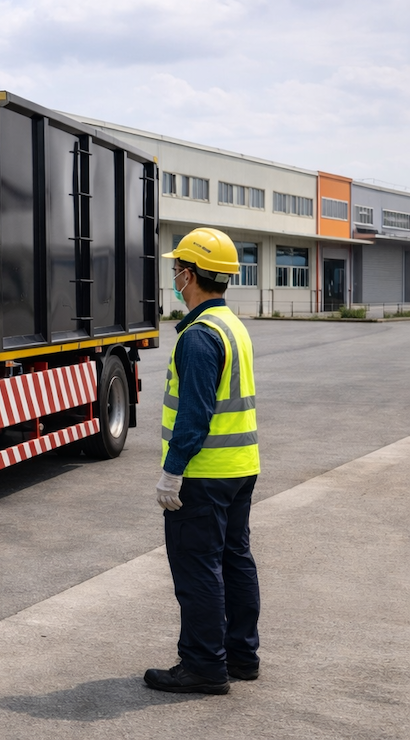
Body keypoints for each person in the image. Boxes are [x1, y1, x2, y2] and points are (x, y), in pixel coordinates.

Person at [145, 227, 261, 696]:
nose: (174, 276)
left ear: (189, 274)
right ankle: (241, 656)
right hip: (240, 468)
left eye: (176, 269)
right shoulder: (232, 325)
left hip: (205, 475)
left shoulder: (197, 337)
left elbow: (194, 416)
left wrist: (172, 474)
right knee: (235, 561)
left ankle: (202, 665)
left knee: (198, 569)